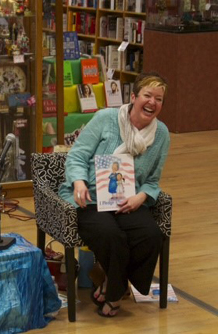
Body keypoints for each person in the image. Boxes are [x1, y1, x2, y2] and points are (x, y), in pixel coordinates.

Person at [58, 72, 170, 317]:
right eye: (147, 95)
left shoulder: (161, 134)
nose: (152, 102)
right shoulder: (106, 118)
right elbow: (77, 156)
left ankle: (110, 282)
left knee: (151, 236)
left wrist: (141, 197)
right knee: (111, 235)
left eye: (159, 99)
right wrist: (78, 182)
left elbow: (152, 180)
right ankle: (114, 295)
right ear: (133, 97)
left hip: (128, 200)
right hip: (91, 198)